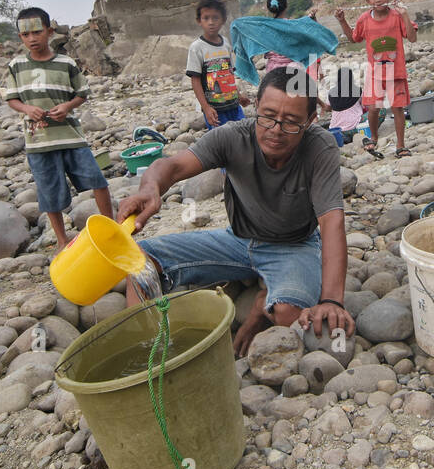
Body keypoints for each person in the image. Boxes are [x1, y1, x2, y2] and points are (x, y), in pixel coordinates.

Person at [115, 66, 355, 356]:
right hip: (239, 240)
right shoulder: (231, 137)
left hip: (294, 246)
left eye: (291, 122)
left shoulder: (320, 147)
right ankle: (148, 354)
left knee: (290, 315)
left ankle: (261, 303)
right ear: (255, 107)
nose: (275, 130)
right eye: (267, 117)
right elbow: (172, 166)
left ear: (311, 120)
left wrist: (332, 300)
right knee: (139, 260)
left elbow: (331, 221)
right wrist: (150, 188)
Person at [3, 7, 112, 250]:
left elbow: (82, 93)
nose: (32, 39)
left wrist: (67, 106)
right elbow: (12, 99)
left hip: (71, 137)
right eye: (25, 35)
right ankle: (62, 240)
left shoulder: (66, 63)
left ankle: (110, 227)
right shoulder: (16, 66)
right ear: (20, 37)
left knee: (97, 180)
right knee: (49, 192)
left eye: (37, 32)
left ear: (49, 32)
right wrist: (27, 109)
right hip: (39, 142)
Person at [334, 0, 417, 158]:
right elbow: (353, 39)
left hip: (396, 72)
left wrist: (404, 14)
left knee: (397, 109)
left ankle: (401, 146)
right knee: (372, 108)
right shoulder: (364, 19)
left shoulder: (397, 16)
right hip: (375, 73)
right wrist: (342, 21)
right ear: (367, 0)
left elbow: (412, 37)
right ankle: (374, 137)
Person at [228, 0, 335, 86]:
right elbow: (314, 37)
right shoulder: (295, 26)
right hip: (294, 74)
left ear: (269, 7)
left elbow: (236, 24)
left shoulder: (264, 29)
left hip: (272, 74)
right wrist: (311, 21)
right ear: (286, 5)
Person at [186, 0, 243, 128]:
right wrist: (206, 108)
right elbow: (195, 81)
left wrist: (238, 96)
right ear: (199, 20)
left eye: (215, 18)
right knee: (221, 143)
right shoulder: (197, 48)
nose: (211, 22)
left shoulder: (226, 44)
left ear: (223, 20)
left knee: (243, 137)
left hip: (233, 105)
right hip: (215, 110)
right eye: (206, 18)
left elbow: (229, 75)